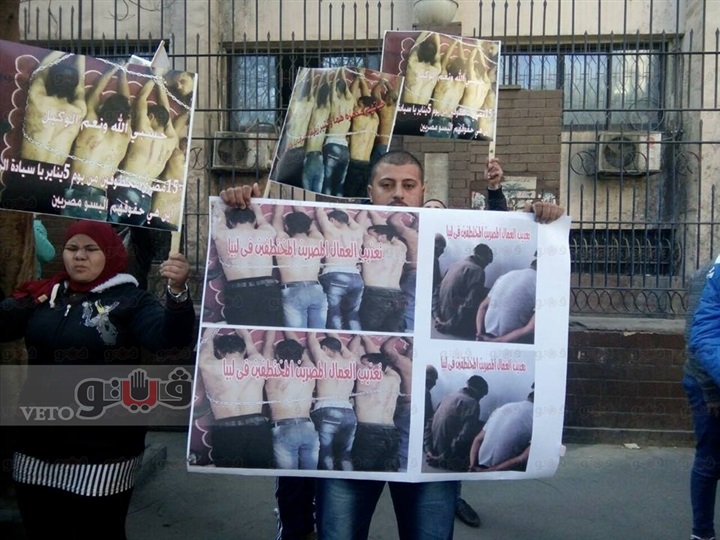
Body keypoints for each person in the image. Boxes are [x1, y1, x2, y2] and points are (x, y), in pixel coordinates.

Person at [220, 149, 564, 540]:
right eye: (387, 184)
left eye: (408, 185)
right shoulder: (353, 229)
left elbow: (497, 229)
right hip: (358, 430)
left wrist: (538, 222)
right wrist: (243, 206)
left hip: (414, 444)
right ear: (370, 190)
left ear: (422, 190)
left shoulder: (432, 231)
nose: (398, 193)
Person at [3, 220, 194, 540]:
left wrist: (177, 294)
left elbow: (169, 341)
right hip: (37, 448)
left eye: (91, 249)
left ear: (110, 253)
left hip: (104, 452)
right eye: (72, 248)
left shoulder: (132, 300)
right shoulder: (45, 295)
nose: (79, 256)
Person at [8, 51, 86, 213]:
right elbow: (81, 85)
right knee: (46, 222)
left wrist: (63, 50)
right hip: (54, 177)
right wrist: (82, 55)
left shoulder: (38, 99)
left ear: (50, 81)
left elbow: (42, 69)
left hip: (26, 171)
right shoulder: (79, 110)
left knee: (14, 222)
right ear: (73, 86)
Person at [64, 63, 132, 220]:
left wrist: (114, 69)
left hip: (75, 191)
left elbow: (95, 93)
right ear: (124, 116)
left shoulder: (91, 124)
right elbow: (127, 105)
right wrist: (123, 74)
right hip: (100, 198)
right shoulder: (125, 135)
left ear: (103, 107)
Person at [198, 327, 273, 469]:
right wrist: (242, 332)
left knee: (228, 476)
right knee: (259, 474)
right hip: (258, 428)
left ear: (219, 352)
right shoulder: (258, 363)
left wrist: (216, 326)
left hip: (226, 430)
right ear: (244, 351)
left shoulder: (208, 365)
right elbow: (249, 341)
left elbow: (207, 340)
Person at [109, 77, 178, 225]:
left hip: (125, 187)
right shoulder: (171, 142)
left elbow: (141, 98)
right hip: (145, 198)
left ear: (151, 117)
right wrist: (160, 84)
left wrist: (155, 78)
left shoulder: (144, 130)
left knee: (108, 232)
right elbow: (167, 118)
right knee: (133, 237)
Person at [686, 256, 720, 540]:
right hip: (705, 383)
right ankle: (702, 533)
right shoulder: (705, 275)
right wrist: (711, 392)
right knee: (710, 460)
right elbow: (696, 339)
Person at [210, 201, 282, 326]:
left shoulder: (222, 234)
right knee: (271, 326)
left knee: (241, 326)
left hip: (238, 289)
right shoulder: (268, 233)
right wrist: (249, 203)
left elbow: (218, 212)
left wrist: (227, 206)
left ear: (231, 222)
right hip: (268, 287)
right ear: (254, 221)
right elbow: (260, 216)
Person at [265, 330, 319, 470]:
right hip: (307, 426)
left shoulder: (273, 372)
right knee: (310, 476)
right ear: (301, 355)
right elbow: (302, 352)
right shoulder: (309, 369)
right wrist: (288, 331)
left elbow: (268, 346)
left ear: (277, 356)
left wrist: (272, 328)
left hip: (283, 428)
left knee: (288, 478)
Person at [307, 332, 360, 471]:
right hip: (348, 412)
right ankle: (348, 480)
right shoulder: (351, 361)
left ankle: (327, 481)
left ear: (324, 348)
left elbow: (311, 338)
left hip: (327, 409)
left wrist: (315, 332)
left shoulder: (323, 360)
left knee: (326, 454)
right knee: (345, 455)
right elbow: (342, 347)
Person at [351, 335, 402, 472]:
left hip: (369, 431)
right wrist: (367, 339)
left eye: (364, 363)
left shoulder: (364, 374)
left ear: (371, 365)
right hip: (392, 431)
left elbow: (352, 356)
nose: (361, 364)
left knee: (365, 474)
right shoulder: (394, 377)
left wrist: (358, 336)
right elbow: (381, 360)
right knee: (388, 473)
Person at [272, 205, 327, 328]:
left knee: (298, 333)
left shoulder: (283, 241)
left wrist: (280, 205)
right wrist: (297, 205)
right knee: (318, 332)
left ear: (286, 227)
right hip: (316, 289)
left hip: (292, 291)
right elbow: (311, 225)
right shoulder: (317, 240)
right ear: (308, 226)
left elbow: (277, 218)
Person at [357, 212, 408, 332]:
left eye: (371, 234)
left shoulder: (371, 245)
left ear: (381, 237)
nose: (369, 236)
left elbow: (358, 227)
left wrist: (366, 210)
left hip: (375, 294)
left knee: (370, 332)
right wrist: (374, 213)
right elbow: (388, 232)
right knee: (393, 333)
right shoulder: (401, 247)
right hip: (398, 295)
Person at [315, 208, 365, 330]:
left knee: (334, 314)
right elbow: (351, 221)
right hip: (356, 277)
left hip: (335, 274)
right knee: (353, 314)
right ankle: (356, 336)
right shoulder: (358, 232)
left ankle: (336, 337)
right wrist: (340, 209)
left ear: (332, 220)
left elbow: (319, 212)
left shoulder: (331, 231)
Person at [427, 375, 489, 471]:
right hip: (448, 459)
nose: (480, 399)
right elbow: (463, 439)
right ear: (479, 392)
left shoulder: (448, 397)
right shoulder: (473, 404)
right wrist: (440, 459)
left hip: (433, 451)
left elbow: (429, 424)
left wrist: (428, 450)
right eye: (482, 396)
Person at [433, 243, 494, 339]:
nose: (486, 266)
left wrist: (436, 316)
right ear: (483, 259)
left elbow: (437, 291)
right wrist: (448, 325)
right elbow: (469, 304)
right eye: (487, 263)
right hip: (454, 325)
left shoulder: (455, 265)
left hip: (441, 316)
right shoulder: (478, 271)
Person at [469, 385, 534, 472]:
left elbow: (477, 439)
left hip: (479, 466)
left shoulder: (503, 408)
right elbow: (523, 458)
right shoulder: (538, 418)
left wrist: (473, 466)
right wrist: (489, 471)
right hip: (501, 472)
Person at [475, 257, 538, 344]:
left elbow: (482, 307)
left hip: (487, 332)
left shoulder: (507, 274)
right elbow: (530, 328)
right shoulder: (541, 284)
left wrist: (479, 334)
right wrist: (494, 341)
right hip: (509, 339)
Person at [322, 69, 354, 196]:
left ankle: (326, 203)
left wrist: (336, 73)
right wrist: (343, 73)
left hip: (332, 143)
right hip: (344, 147)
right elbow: (346, 89)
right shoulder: (350, 103)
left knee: (328, 181)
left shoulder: (335, 102)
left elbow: (332, 89)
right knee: (340, 183)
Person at [427, 39, 467, 138]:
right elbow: (463, 66)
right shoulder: (461, 83)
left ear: (450, 66)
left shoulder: (444, 78)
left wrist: (454, 43)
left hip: (435, 120)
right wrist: (460, 45)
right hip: (448, 123)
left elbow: (444, 61)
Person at [302, 72, 332, 193]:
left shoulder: (314, 110)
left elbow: (315, 93)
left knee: (306, 193)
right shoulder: (327, 110)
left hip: (309, 155)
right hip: (319, 157)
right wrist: (327, 76)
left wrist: (319, 78)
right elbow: (328, 94)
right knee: (317, 193)